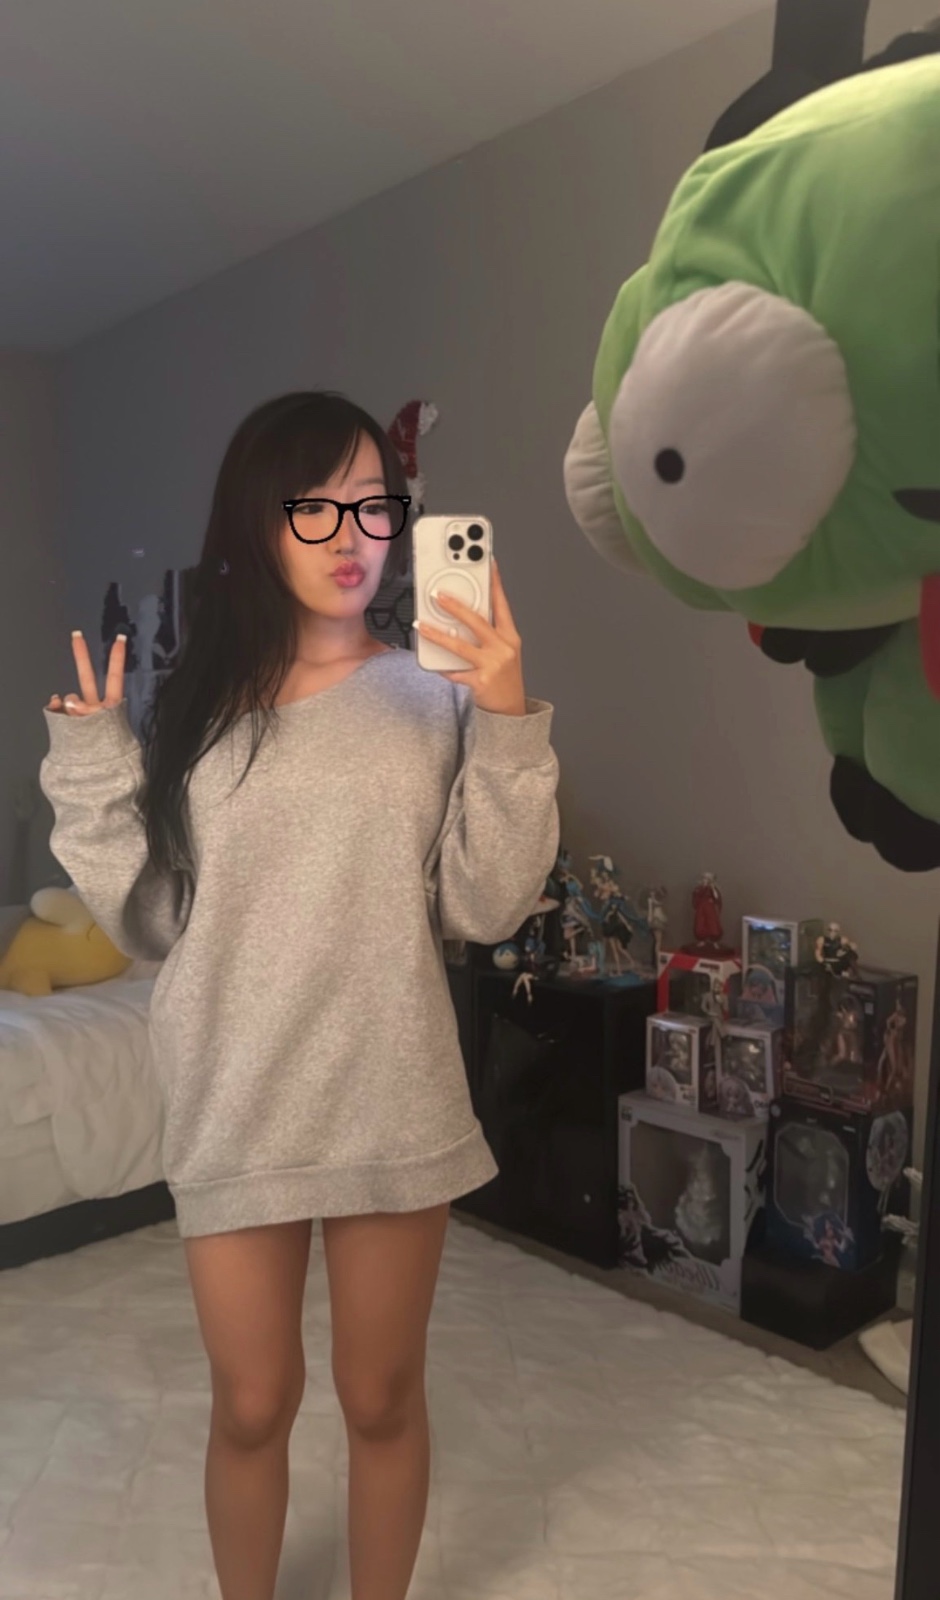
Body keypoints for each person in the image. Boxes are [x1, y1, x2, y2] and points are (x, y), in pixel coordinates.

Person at [39, 391, 560, 1600]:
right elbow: (153, 921)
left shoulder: (433, 696)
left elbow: (484, 903)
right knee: (250, 1404)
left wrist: (503, 715)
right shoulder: (196, 712)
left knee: (381, 1398)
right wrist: (96, 762)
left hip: (390, 1086)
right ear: (254, 522)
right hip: (234, 1093)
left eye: (373, 504)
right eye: (313, 505)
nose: (351, 534)